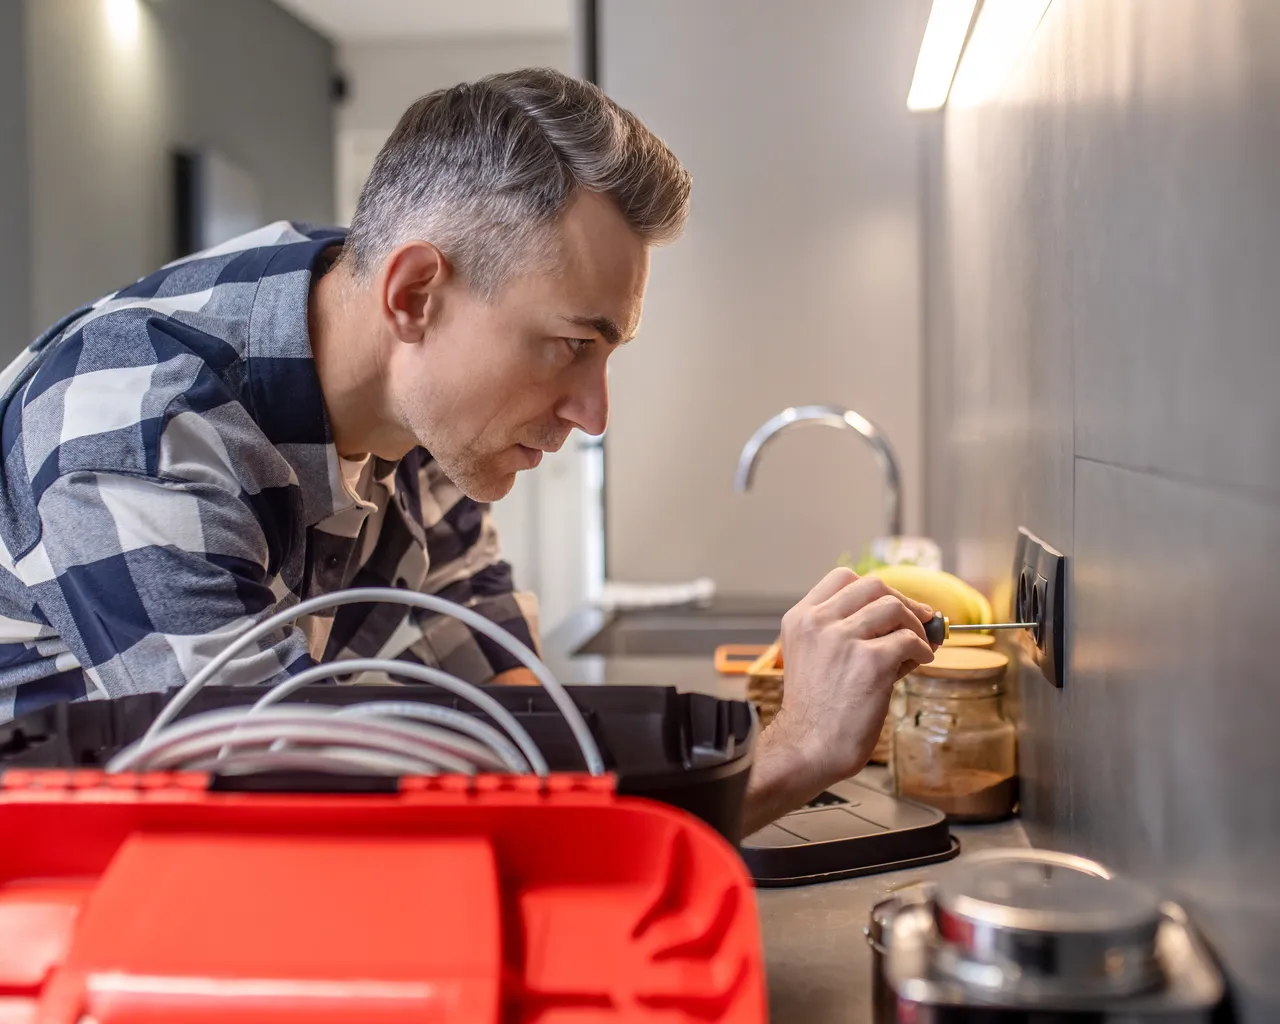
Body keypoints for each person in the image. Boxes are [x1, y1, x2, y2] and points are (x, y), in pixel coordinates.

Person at [0, 68, 934, 834]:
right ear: (413, 296)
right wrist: (791, 754)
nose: (593, 412)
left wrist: (732, 754)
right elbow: (288, 838)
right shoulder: (135, 439)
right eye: (571, 344)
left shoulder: (404, 383)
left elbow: (517, 725)